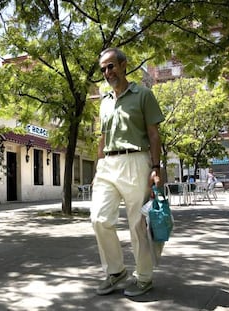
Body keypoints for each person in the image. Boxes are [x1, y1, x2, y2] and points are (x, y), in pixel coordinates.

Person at [91, 47, 165, 297]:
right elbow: (102, 138)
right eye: (103, 69)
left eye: (111, 66)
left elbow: (154, 134)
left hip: (136, 161)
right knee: (99, 218)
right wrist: (98, 168)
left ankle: (143, 277)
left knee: (137, 224)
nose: (107, 72)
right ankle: (115, 272)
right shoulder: (104, 102)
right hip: (108, 164)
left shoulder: (143, 95)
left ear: (123, 65)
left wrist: (156, 168)